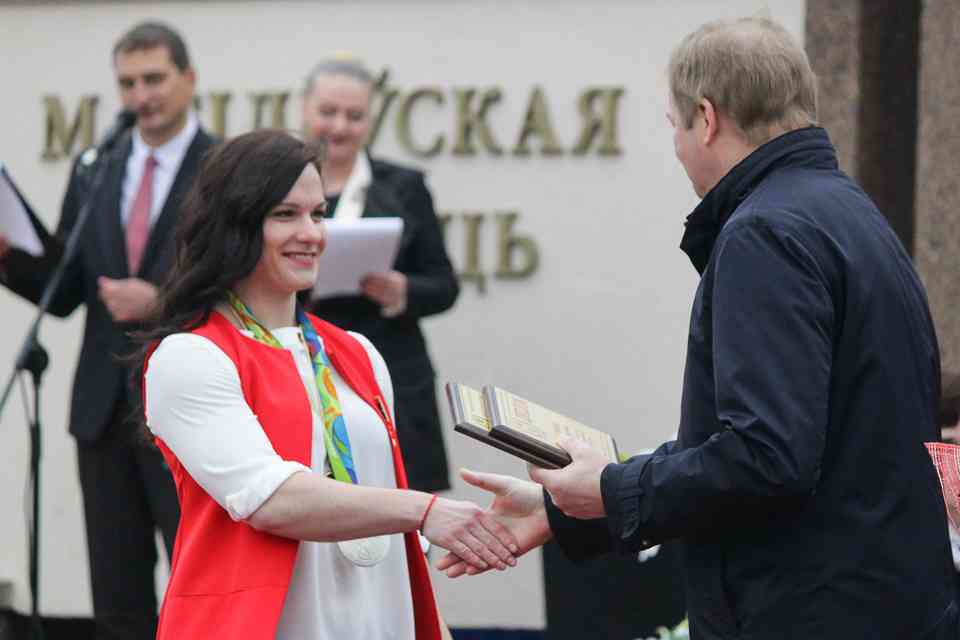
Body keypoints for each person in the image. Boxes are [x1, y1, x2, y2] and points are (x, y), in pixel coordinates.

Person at [438, 16, 958, 639]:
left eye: (675, 125)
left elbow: (765, 456)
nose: (678, 148)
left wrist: (611, 489)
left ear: (706, 119)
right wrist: (568, 511)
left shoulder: (765, 233)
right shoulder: (848, 212)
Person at [137, 129, 518, 640]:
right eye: (285, 214)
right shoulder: (190, 357)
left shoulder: (358, 353)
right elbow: (271, 500)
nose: (311, 233)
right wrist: (425, 510)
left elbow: (392, 538)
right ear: (234, 224)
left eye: (318, 214)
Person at [0, 22, 215, 639]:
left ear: (189, 79)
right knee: (116, 593)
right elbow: (67, 290)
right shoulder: (97, 165)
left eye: (154, 79)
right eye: (127, 83)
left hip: (188, 405)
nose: (140, 96)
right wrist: (10, 256)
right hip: (103, 409)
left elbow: (242, 282)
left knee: (199, 581)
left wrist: (162, 302)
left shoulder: (223, 167)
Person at [300, 54, 459, 492]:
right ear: (305, 109)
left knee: (405, 506)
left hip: (388, 367)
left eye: (354, 116)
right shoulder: (281, 185)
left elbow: (444, 284)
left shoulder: (403, 187)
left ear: (370, 121)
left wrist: (402, 290)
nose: (339, 126)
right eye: (328, 112)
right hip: (306, 365)